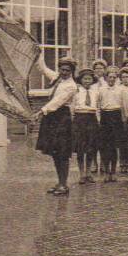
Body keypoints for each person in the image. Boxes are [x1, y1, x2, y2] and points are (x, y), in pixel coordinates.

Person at [33, 55, 78, 197]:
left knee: (62, 152)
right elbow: (43, 68)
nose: (64, 72)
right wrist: (37, 52)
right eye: (62, 69)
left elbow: (58, 101)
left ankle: (64, 184)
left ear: (71, 71)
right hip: (51, 118)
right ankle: (59, 182)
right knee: (54, 152)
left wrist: (41, 111)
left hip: (61, 118)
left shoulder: (71, 86)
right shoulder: (56, 78)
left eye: (67, 70)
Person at [71, 68, 100, 184]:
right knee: (80, 149)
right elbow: (72, 107)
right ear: (81, 80)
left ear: (92, 80)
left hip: (91, 119)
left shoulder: (96, 92)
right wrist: (73, 121)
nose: (87, 81)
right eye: (85, 79)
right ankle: (81, 173)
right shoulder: (76, 91)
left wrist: (98, 121)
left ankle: (88, 173)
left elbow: (98, 108)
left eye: (89, 79)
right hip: (80, 119)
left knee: (91, 148)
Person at [97, 67, 127, 181]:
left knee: (114, 146)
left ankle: (113, 171)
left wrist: (124, 120)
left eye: (114, 77)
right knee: (105, 146)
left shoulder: (121, 90)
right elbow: (98, 105)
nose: (112, 79)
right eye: (110, 77)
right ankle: (106, 171)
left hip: (116, 116)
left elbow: (124, 106)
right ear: (106, 77)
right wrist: (99, 119)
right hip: (105, 116)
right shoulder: (101, 89)